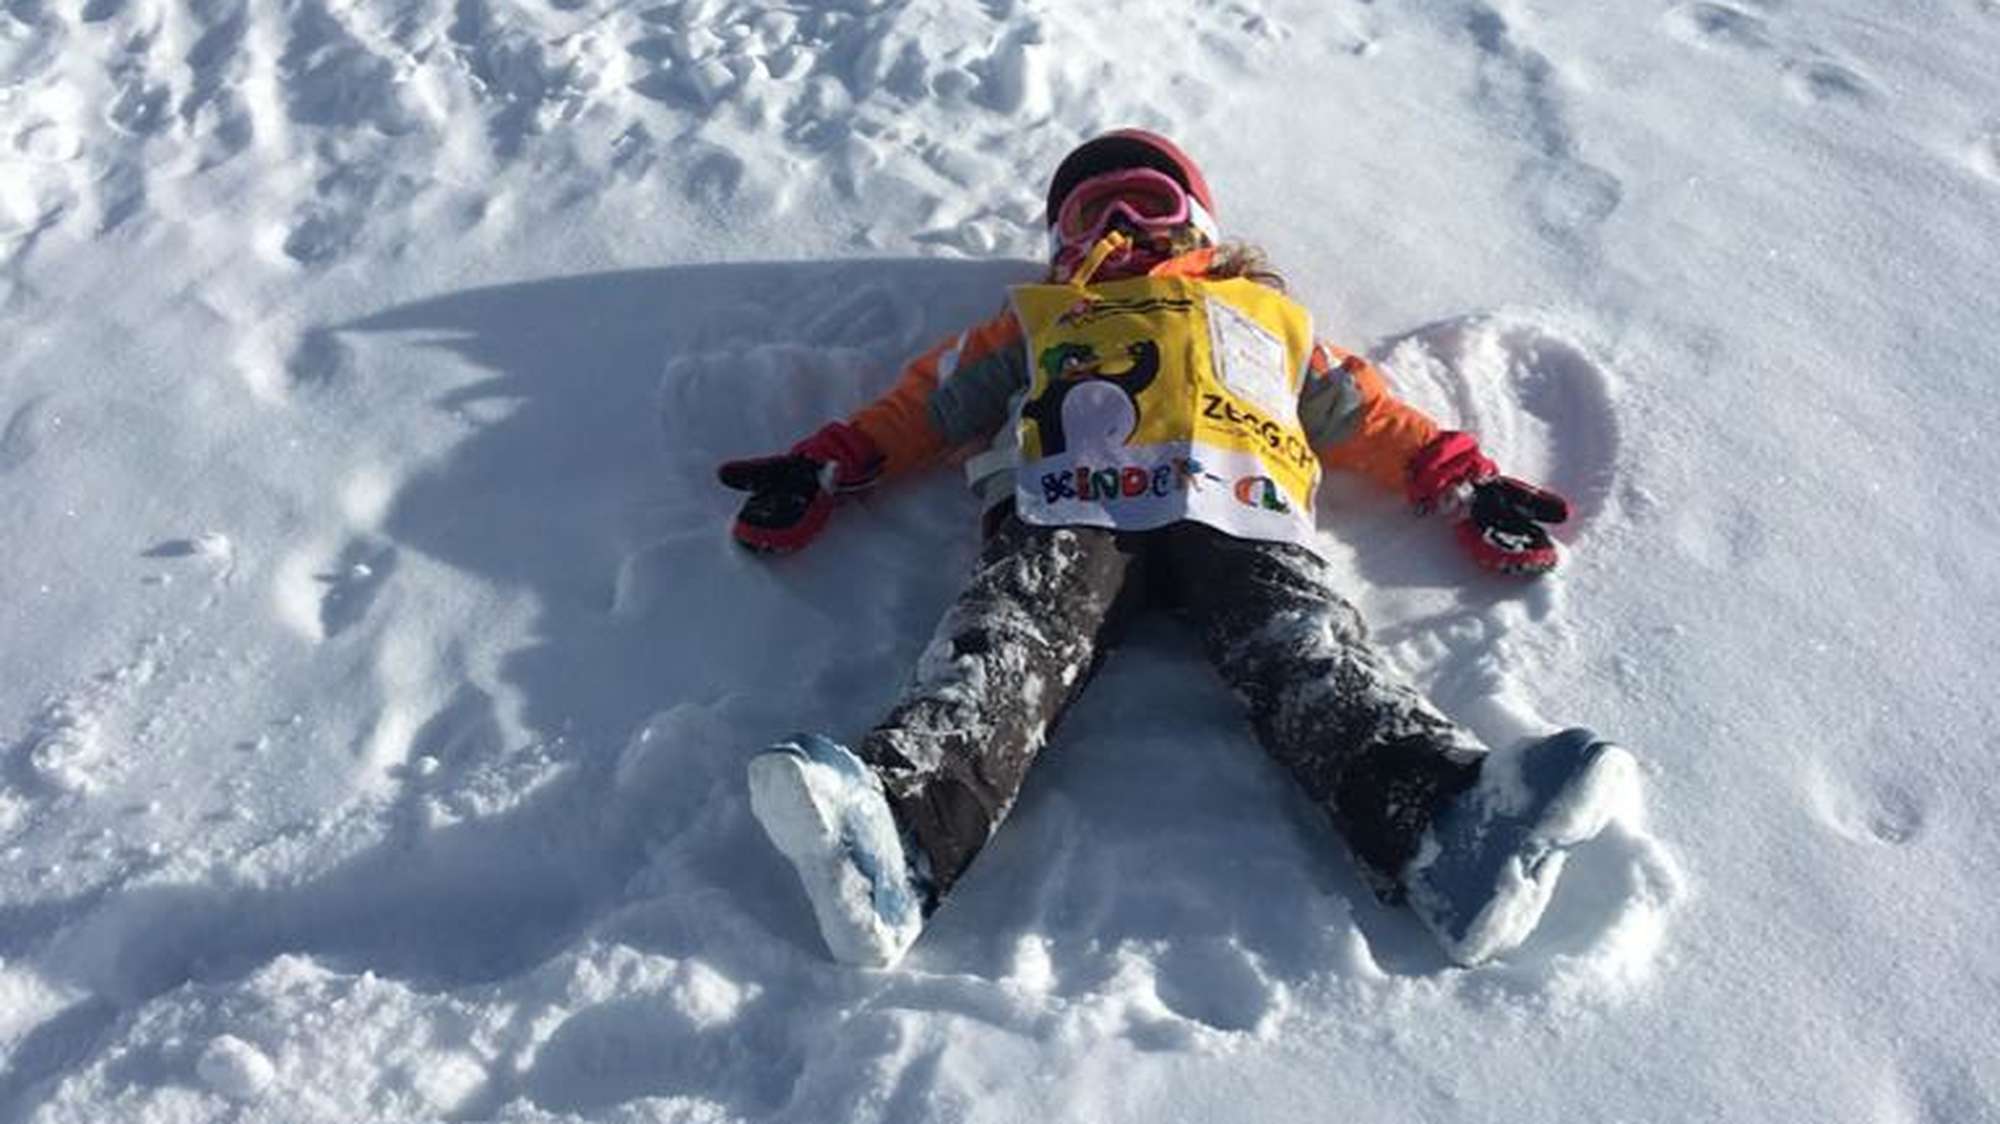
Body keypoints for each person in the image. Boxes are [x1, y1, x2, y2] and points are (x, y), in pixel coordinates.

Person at [720, 130, 1639, 969]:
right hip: (1072, 505)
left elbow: (1366, 413)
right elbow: (927, 404)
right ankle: (896, 838)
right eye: (1093, 212)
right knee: (1011, 642)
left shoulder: (1263, 317)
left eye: (1147, 202)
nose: (1122, 223)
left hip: (1238, 510)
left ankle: (1450, 830)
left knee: (1305, 651)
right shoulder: (1042, 318)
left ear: (1195, 221)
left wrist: (1465, 481)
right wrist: (827, 463)